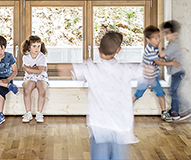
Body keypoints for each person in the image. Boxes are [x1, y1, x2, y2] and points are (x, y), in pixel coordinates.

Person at [58, 32, 141, 160]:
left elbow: (61, 68)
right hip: (121, 128)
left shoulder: (90, 68)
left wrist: (85, 66)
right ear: (118, 50)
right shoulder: (126, 69)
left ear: (98, 49)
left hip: (99, 128)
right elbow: (149, 72)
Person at [132, 25, 171, 121]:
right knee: (137, 95)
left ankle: (164, 112)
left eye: (159, 37)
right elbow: (158, 62)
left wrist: (160, 45)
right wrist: (171, 63)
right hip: (145, 77)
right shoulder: (150, 50)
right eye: (155, 38)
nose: (158, 40)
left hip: (153, 77)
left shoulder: (155, 46)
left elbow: (160, 53)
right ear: (148, 39)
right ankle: (125, 108)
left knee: (160, 94)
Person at [159, 20, 191, 121]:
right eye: (164, 33)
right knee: (173, 91)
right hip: (175, 73)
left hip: (178, 73)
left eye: (167, 33)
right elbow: (164, 57)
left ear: (175, 34)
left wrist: (159, 43)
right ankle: (175, 110)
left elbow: (161, 54)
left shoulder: (174, 44)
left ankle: (177, 112)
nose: (165, 35)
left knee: (173, 91)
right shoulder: (171, 44)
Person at [21, 35, 49, 123]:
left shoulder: (42, 57)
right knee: (26, 90)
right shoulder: (26, 57)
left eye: (38, 46)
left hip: (42, 76)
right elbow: (29, 73)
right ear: (29, 47)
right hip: (30, 77)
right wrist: (32, 70)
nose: (37, 48)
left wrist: (27, 68)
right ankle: (28, 113)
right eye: (34, 46)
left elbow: (40, 71)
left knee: (42, 91)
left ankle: (39, 113)